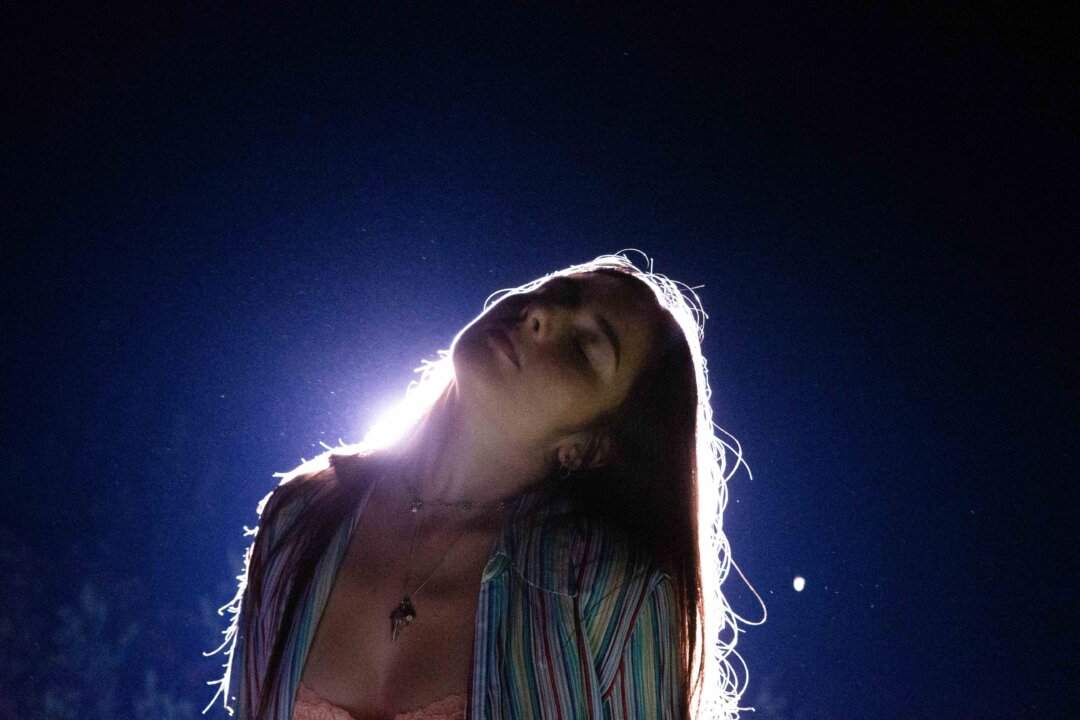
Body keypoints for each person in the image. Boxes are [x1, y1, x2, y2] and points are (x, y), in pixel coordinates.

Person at [204, 251, 753, 719]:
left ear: (590, 447)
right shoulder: (302, 516)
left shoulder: (610, 588)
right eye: (552, 292)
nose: (540, 315)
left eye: (586, 346)